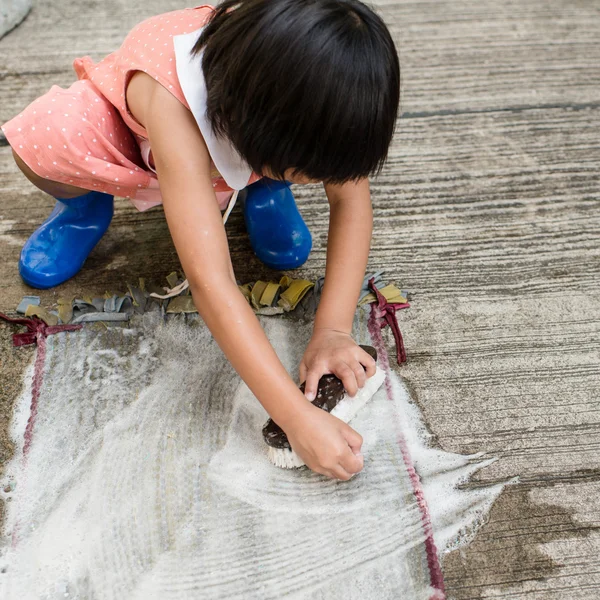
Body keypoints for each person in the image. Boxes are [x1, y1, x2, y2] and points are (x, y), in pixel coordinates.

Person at [1, 0, 400, 480]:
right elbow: (210, 280)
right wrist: (296, 417)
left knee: (282, 163)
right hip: (139, 146)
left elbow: (351, 202)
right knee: (47, 138)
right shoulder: (174, 102)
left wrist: (333, 329)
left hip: (243, 143)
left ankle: (264, 187)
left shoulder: (299, 78)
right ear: (246, 127)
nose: (322, 184)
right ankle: (85, 208)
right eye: (306, 174)